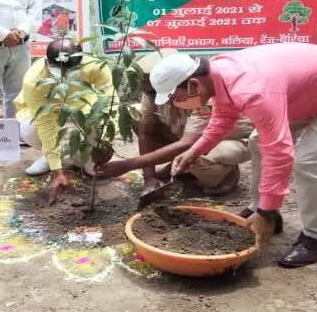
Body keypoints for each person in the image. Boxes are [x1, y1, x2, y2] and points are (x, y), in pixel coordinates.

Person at [167, 43, 317, 268]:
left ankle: (315, 238)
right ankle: (263, 209)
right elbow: (223, 116)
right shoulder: (218, 75)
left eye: (176, 98)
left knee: (307, 162)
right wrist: (196, 150)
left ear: (193, 84)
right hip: (306, 93)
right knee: (258, 141)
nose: (176, 104)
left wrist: (266, 212)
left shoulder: (251, 89)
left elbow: (279, 151)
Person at [94, 50, 257, 200]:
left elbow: (187, 144)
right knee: (138, 118)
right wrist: (149, 179)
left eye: (153, 90)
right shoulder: (154, 92)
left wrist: (128, 164)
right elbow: (145, 131)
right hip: (188, 137)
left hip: (231, 140)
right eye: (147, 90)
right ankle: (180, 168)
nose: (149, 94)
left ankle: (228, 174)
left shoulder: (199, 93)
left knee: (195, 159)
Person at [14, 39, 113, 204]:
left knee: (99, 122)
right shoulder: (34, 79)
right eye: (58, 71)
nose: (65, 77)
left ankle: (85, 157)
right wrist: (56, 169)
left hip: (84, 108)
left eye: (71, 71)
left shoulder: (96, 66)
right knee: (30, 129)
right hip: (49, 111)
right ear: (46, 62)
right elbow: (45, 122)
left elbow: (109, 101)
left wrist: (105, 139)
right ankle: (51, 156)